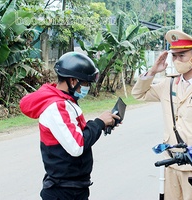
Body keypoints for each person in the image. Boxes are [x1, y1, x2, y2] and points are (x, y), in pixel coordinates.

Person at [131, 30, 192, 200]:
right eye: (174, 56)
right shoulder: (167, 84)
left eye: (181, 55)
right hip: (171, 164)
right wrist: (153, 71)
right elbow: (138, 94)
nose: (176, 60)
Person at [20, 52, 120, 200]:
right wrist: (98, 123)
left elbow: (76, 133)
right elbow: (77, 146)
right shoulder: (57, 106)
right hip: (63, 192)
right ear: (73, 81)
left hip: (73, 188)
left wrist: (103, 124)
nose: (87, 88)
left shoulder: (66, 101)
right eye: (86, 83)